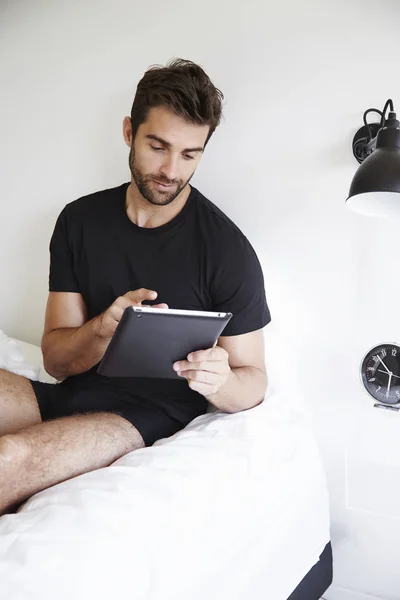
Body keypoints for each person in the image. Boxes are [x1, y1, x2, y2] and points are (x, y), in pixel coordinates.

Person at [0, 58, 270, 515]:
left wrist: (221, 381)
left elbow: (254, 381)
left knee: (9, 460)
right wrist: (101, 331)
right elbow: (57, 360)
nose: (170, 169)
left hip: (141, 416)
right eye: (157, 146)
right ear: (129, 132)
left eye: (190, 154)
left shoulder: (226, 249)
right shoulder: (78, 221)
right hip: (67, 394)